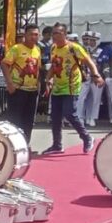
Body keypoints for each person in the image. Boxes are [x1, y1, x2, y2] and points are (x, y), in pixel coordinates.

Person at [41, 23, 103, 155]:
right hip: (58, 85)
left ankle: (86, 137)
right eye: (53, 33)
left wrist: (96, 75)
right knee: (55, 116)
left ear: (64, 34)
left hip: (71, 85)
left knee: (70, 113)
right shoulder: (53, 48)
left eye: (57, 33)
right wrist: (48, 79)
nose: (54, 36)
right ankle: (57, 144)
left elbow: (89, 62)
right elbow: (54, 66)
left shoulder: (74, 48)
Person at [2, 23, 42, 144]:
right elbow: (4, 64)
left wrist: (39, 84)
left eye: (36, 34)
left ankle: (25, 145)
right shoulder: (17, 48)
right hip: (17, 90)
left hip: (32, 90)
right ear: (25, 35)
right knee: (15, 120)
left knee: (29, 121)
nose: (33, 37)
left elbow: (38, 68)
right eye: (31, 34)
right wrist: (9, 83)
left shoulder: (37, 49)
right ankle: (12, 145)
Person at [76, 31, 105, 127]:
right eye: (90, 40)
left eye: (94, 40)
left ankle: (92, 117)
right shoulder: (83, 50)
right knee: (81, 98)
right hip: (85, 77)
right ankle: (80, 117)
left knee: (95, 99)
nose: (91, 42)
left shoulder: (101, 51)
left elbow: (103, 65)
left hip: (97, 78)